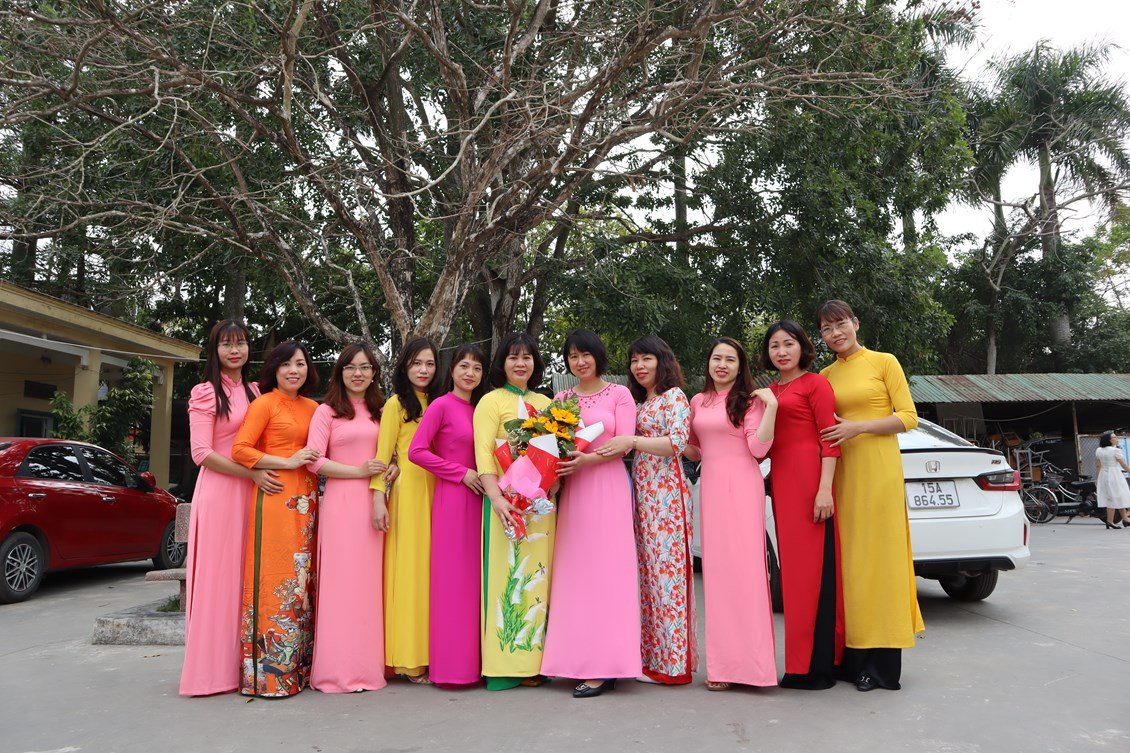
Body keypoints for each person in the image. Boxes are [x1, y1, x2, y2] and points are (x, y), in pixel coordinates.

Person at [816, 300, 923, 692]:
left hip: (878, 474)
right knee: (851, 567)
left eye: (840, 324)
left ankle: (881, 668)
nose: (835, 334)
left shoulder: (884, 362)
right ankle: (852, 660)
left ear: (856, 323)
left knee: (881, 564)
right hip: (842, 477)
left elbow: (908, 417)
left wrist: (858, 427)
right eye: (827, 329)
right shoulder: (825, 375)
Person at [180, 320, 281, 696]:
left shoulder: (256, 392)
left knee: (248, 578)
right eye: (226, 344)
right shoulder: (206, 392)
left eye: (240, 343)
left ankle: (247, 667)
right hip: (221, 493)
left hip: (254, 492)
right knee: (219, 579)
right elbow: (201, 453)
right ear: (215, 350)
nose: (234, 350)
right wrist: (251, 473)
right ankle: (210, 672)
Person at [542, 329, 642, 698]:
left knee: (608, 575)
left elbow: (624, 443)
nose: (580, 361)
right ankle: (573, 660)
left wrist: (586, 459)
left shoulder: (620, 394)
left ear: (598, 356)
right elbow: (551, 447)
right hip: (575, 492)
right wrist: (550, 476)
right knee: (576, 576)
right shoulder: (561, 399)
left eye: (585, 354)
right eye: (573, 356)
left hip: (608, 488)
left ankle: (607, 666)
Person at [598, 334, 696, 685]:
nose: (639, 366)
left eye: (646, 359)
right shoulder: (640, 403)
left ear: (662, 361)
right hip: (642, 496)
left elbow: (677, 443)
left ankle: (674, 667)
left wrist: (632, 440)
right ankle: (653, 659)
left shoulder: (674, 396)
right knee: (649, 580)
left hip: (667, 497)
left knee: (668, 581)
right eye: (634, 361)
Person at [684, 336, 777, 691]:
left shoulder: (750, 401)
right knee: (718, 576)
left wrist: (771, 407)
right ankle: (722, 667)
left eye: (730, 360)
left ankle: (754, 668)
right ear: (708, 363)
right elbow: (695, 450)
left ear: (741, 367)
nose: (722, 365)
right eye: (717, 358)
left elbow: (758, 448)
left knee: (747, 573)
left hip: (742, 487)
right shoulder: (698, 401)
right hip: (711, 489)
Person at [231, 340, 322, 698]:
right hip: (275, 498)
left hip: (308, 502)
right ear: (275, 369)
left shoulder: (315, 408)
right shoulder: (265, 403)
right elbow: (240, 449)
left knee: (303, 583)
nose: (293, 371)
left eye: (300, 363)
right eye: (286, 364)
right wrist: (286, 462)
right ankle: (268, 677)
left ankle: (301, 671)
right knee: (276, 581)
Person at [759, 320, 844, 689]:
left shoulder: (815, 384)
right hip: (783, 486)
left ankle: (818, 667)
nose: (782, 351)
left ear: (802, 347)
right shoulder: (768, 391)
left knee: (813, 574)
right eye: (774, 345)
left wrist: (825, 490)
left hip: (812, 484)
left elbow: (830, 440)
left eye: (788, 343)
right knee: (792, 577)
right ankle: (797, 664)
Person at [306, 342, 392, 692]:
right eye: (351, 367)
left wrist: (392, 470)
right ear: (340, 372)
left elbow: (393, 455)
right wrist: (358, 471)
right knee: (341, 586)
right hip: (341, 504)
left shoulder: (382, 411)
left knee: (369, 586)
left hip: (376, 504)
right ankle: (336, 671)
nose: (358, 373)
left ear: (374, 373)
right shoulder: (326, 412)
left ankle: (369, 668)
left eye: (365, 367)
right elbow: (314, 461)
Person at [473, 332, 556, 690]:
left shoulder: (546, 403)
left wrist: (551, 485)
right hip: (505, 503)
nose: (520, 363)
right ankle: (504, 664)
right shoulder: (490, 401)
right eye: (513, 357)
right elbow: (483, 453)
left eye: (526, 357)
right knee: (507, 579)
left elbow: (556, 452)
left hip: (540, 506)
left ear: (535, 362)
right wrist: (496, 498)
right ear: (502, 363)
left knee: (538, 579)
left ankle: (535, 663)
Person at [407, 344, 488, 688]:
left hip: (482, 500)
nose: (470, 373)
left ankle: (477, 666)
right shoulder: (441, 405)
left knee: (475, 583)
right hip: (453, 499)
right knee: (453, 583)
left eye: (477, 368)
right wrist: (460, 473)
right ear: (451, 370)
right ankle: (451, 668)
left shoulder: (482, 409)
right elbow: (416, 451)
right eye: (464, 366)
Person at [371, 337, 441, 683]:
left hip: (441, 491)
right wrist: (378, 498)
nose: (423, 370)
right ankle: (409, 659)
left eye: (429, 364)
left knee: (434, 576)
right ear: (404, 367)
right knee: (411, 575)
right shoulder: (396, 404)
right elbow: (382, 457)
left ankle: (434, 652)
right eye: (416, 363)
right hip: (410, 495)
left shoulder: (442, 402)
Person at [1097, 432, 1130, 529]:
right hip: (1114, 475)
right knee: (1115, 496)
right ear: (1109, 440)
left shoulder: (1099, 450)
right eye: (1114, 437)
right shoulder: (1115, 451)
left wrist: (1098, 478)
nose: (1117, 439)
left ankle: (1125, 519)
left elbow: (1098, 465)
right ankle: (1110, 521)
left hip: (1104, 474)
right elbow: (1123, 465)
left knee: (1117, 496)